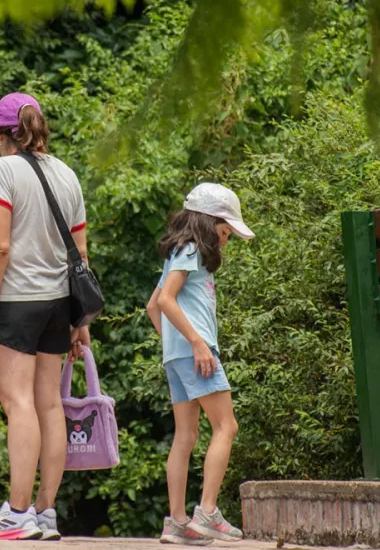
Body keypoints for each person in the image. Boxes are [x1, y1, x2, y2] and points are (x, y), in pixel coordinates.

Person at [0, 93, 89, 541]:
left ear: (0, 133)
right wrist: (81, 322)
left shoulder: (1, 171)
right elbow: (81, 255)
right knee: (49, 403)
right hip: (59, 304)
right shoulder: (67, 174)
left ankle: (16, 513)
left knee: (17, 403)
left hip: (17, 301)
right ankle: (45, 511)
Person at [145, 183, 254, 545]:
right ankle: (206, 513)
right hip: (197, 353)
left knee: (186, 436)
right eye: (225, 232)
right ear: (210, 223)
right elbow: (167, 302)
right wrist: (195, 344)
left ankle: (177, 522)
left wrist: (174, 347)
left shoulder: (179, 251)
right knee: (227, 426)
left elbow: (153, 304)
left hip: (179, 355)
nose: (226, 241)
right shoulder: (190, 249)